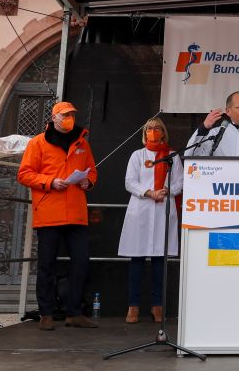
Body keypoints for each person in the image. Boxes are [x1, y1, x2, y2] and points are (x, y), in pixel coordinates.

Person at [16, 100, 99, 330]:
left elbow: (92, 170)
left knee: (81, 262)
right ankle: (46, 314)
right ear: (54, 118)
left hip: (76, 212)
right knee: (46, 265)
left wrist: (87, 181)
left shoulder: (82, 142)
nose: (69, 118)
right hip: (49, 211)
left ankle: (74, 312)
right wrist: (50, 182)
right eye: (65, 115)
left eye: (72, 114)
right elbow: (24, 174)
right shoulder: (38, 143)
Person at [118, 117, 178, 324]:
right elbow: (129, 182)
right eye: (150, 128)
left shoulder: (172, 156)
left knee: (160, 262)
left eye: (157, 128)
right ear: (145, 133)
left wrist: (168, 190)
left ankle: (157, 306)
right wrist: (148, 192)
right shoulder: (138, 155)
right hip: (141, 210)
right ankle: (133, 306)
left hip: (163, 209)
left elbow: (180, 181)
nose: (153, 131)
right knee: (137, 260)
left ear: (164, 132)